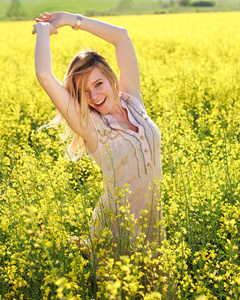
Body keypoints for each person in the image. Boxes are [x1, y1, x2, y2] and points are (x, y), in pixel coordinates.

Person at [32, 12, 164, 255]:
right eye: (84, 92)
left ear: (110, 78)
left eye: (98, 84)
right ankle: (89, 247)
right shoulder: (90, 126)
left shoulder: (132, 100)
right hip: (115, 235)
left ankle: (82, 247)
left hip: (152, 229)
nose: (94, 96)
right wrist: (43, 30)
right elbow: (44, 76)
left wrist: (72, 20)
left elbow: (122, 37)